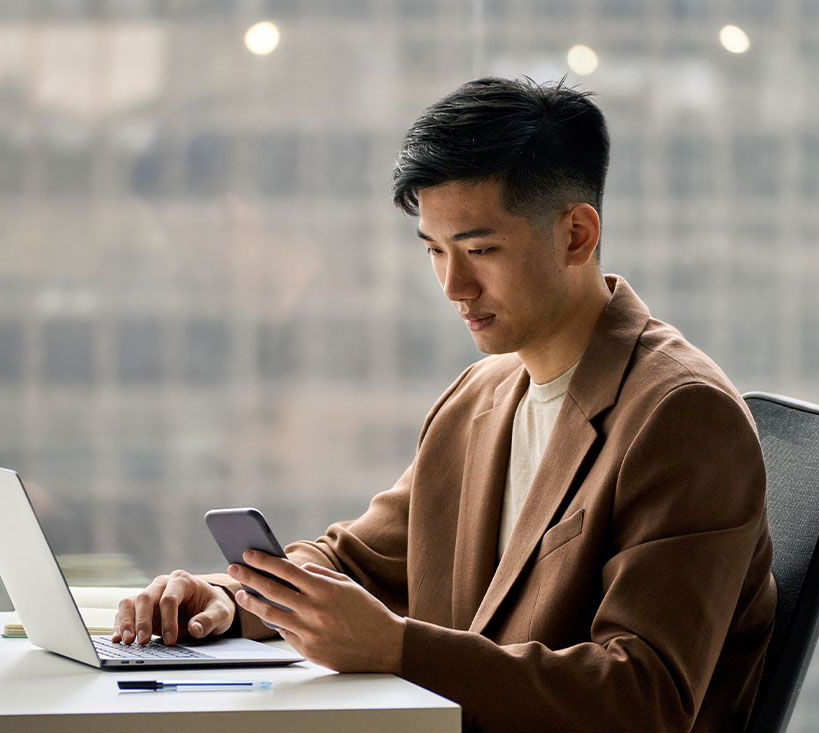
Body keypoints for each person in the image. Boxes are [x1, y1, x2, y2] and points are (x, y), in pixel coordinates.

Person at [113, 77, 776, 732]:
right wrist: (232, 599)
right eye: (434, 250)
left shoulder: (681, 415)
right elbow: (355, 563)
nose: (455, 286)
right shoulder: (479, 397)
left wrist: (398, 648)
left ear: (576, 233)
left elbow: (642, 697)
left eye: (480, 249)